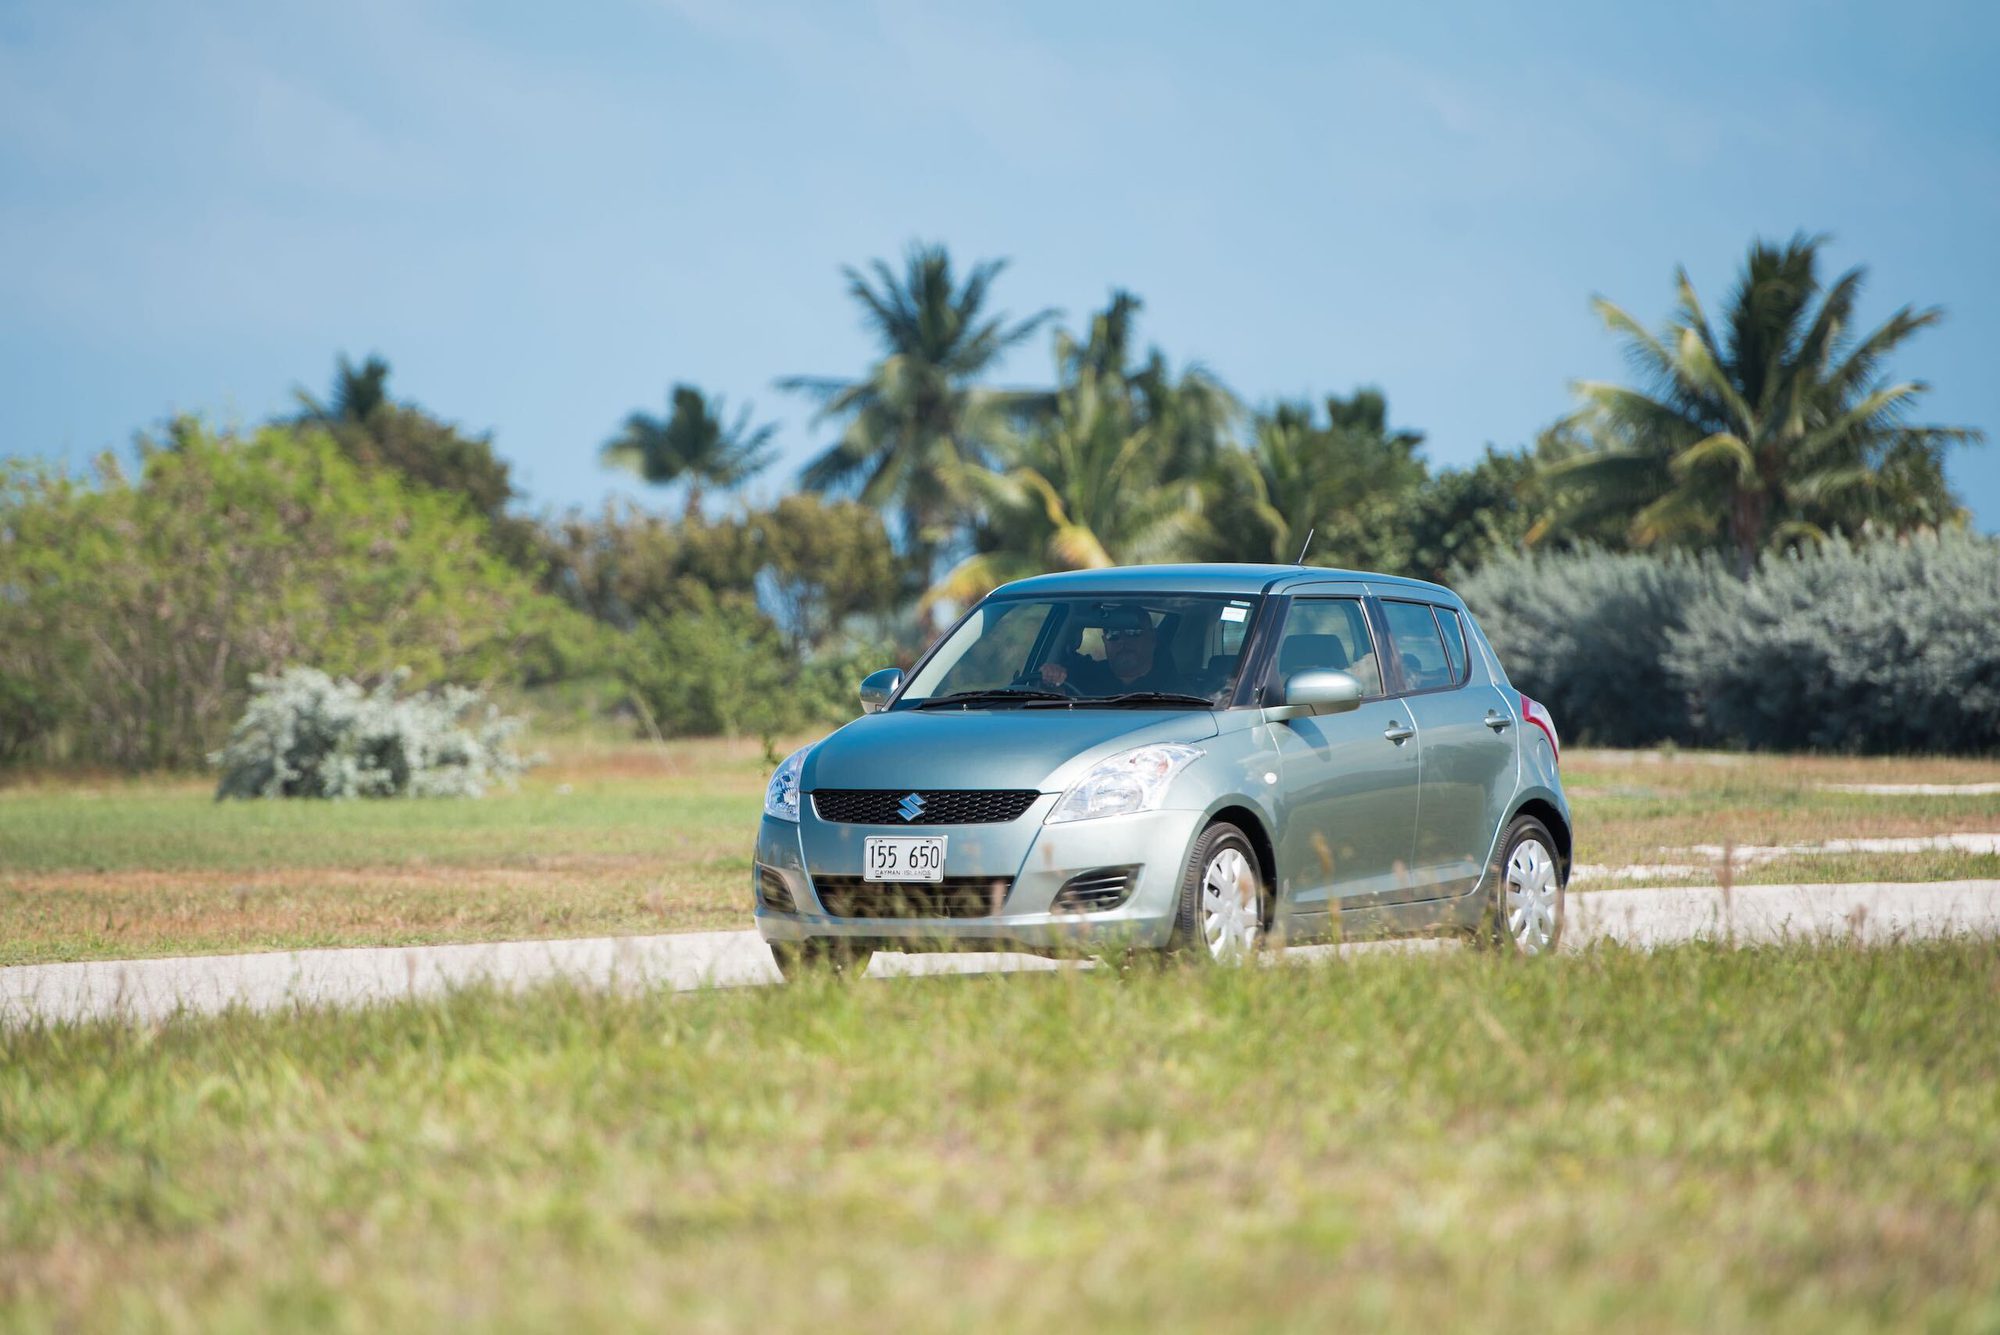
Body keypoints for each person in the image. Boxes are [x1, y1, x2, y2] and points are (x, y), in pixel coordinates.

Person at [1038, 604, 1185, 695]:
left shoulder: (1178, 693)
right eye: (1113, 634)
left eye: (1133, 632)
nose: (1122, 641)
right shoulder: (1082, 675)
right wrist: (1051, 679)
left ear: (1152, 638)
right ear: (1104, 641)